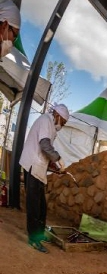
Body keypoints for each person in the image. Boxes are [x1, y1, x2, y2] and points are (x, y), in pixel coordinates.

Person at [19, 103, 69, 253]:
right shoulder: (45, 120)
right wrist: (58, 158)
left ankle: (39, 234)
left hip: (39, 168)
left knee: (41, 206)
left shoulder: (51, 125)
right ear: (58, 116)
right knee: (34, 205)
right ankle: (33, 239)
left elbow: (45, 153)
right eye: (64, 122)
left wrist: (55, 167)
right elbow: (44, 145)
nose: (63, 125)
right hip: (32, 165)